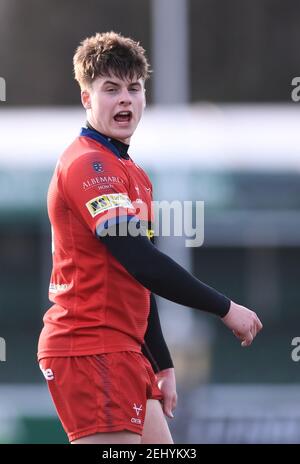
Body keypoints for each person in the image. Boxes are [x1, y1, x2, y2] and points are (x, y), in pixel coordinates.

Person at [37, 31, 263, 445]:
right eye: (110, 89)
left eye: (134, 88)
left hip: (124, 351)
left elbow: (136, 279)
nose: (125, 98)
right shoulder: (90, 165)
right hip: (90, 347)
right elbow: (142, 261)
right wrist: (225, 308)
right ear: (87, 98)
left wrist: (161, 362)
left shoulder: (133, 173)